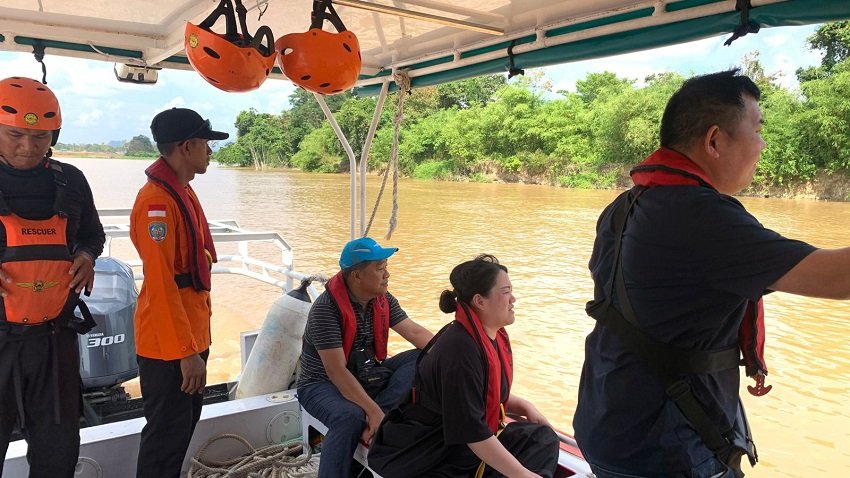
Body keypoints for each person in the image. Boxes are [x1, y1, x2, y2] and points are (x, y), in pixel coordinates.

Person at [574, 68, 850, 478]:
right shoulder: (700, 217)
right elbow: (838, 277)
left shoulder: (625, 206)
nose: (763, 144)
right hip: (666, 447)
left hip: (607, 419)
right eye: (757, 129)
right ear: (715, 140)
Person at [368, 254, 559, 478]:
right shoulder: (460, 351)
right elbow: (473, 433)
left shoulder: (487, 337)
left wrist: (525, 406)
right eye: (506, 292)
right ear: (480, 301)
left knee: (541, 437)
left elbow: (484, 394)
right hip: (431, 449)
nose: (513, 299)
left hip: (460, 439)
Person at [0, 76, 105, 478]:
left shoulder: (71, 180)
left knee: (57, 451)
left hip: (54, 341)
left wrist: (86, 254)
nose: (28, 147)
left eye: (40, 137)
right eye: (15, 135)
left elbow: (92, 234)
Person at [130, 107, 227, 478]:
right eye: (205, 144)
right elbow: (161, 283)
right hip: (168, 346)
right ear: (187, 147)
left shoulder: (182, 192)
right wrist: (186, 354)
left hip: (190, 334)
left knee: (180, 433)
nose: (210, 151)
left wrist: (195, 346)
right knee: (165, 441)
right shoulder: (157, 203)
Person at [296, 236, 434, 478]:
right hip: (320, 384)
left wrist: (459, 359)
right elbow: (336, 371)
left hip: (367, 374)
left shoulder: (383, 300)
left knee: (423, 358)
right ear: (357, 276)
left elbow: (415, 332)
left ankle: (379, 415)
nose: (387, 275)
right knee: (350, 416)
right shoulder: (325, 310)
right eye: (379, 269)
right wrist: (373, 412)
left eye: (386, 267)